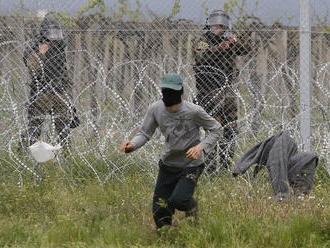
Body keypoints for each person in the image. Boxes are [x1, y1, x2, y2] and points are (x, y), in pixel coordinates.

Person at [119, 73, 222, 230]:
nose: (168, 95)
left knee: (180, 200)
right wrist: (132, 145)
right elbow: (145, 133)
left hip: (191, 165)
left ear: (181, 92)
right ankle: (166, 237)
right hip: (168, 165)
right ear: (162, 91)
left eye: (172, 91)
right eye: (165, 91)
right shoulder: (155, 109)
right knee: (160, 208)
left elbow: (216, 129)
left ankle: (192, 214)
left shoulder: (194, 111)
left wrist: (200, 147)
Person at [193, 9, 251, 173]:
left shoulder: (229, 39)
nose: (219, 29)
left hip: (228, 94)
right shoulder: (204, 40)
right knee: (213, 131)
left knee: (230, 130)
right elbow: (200, 56)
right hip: (210, 93)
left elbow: (246, 49)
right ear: (210, 25)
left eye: (222, 26)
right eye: (216, 26)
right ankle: (210, 169)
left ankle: (226, 166)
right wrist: (218, 48)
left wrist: (234, 40)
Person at [22, 13, 79, 149]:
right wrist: (40, 54)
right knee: (35, 127)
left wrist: (68, 96)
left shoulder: (59, 49)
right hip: (42, 93)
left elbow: (64, 73)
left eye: (56, 33)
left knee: (63, 127)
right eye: (51, 33)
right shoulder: (37, 48)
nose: (54, 36)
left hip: (59, 92)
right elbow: (34, 69)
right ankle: (26, 150)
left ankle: (66, 153)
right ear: (44, 33)